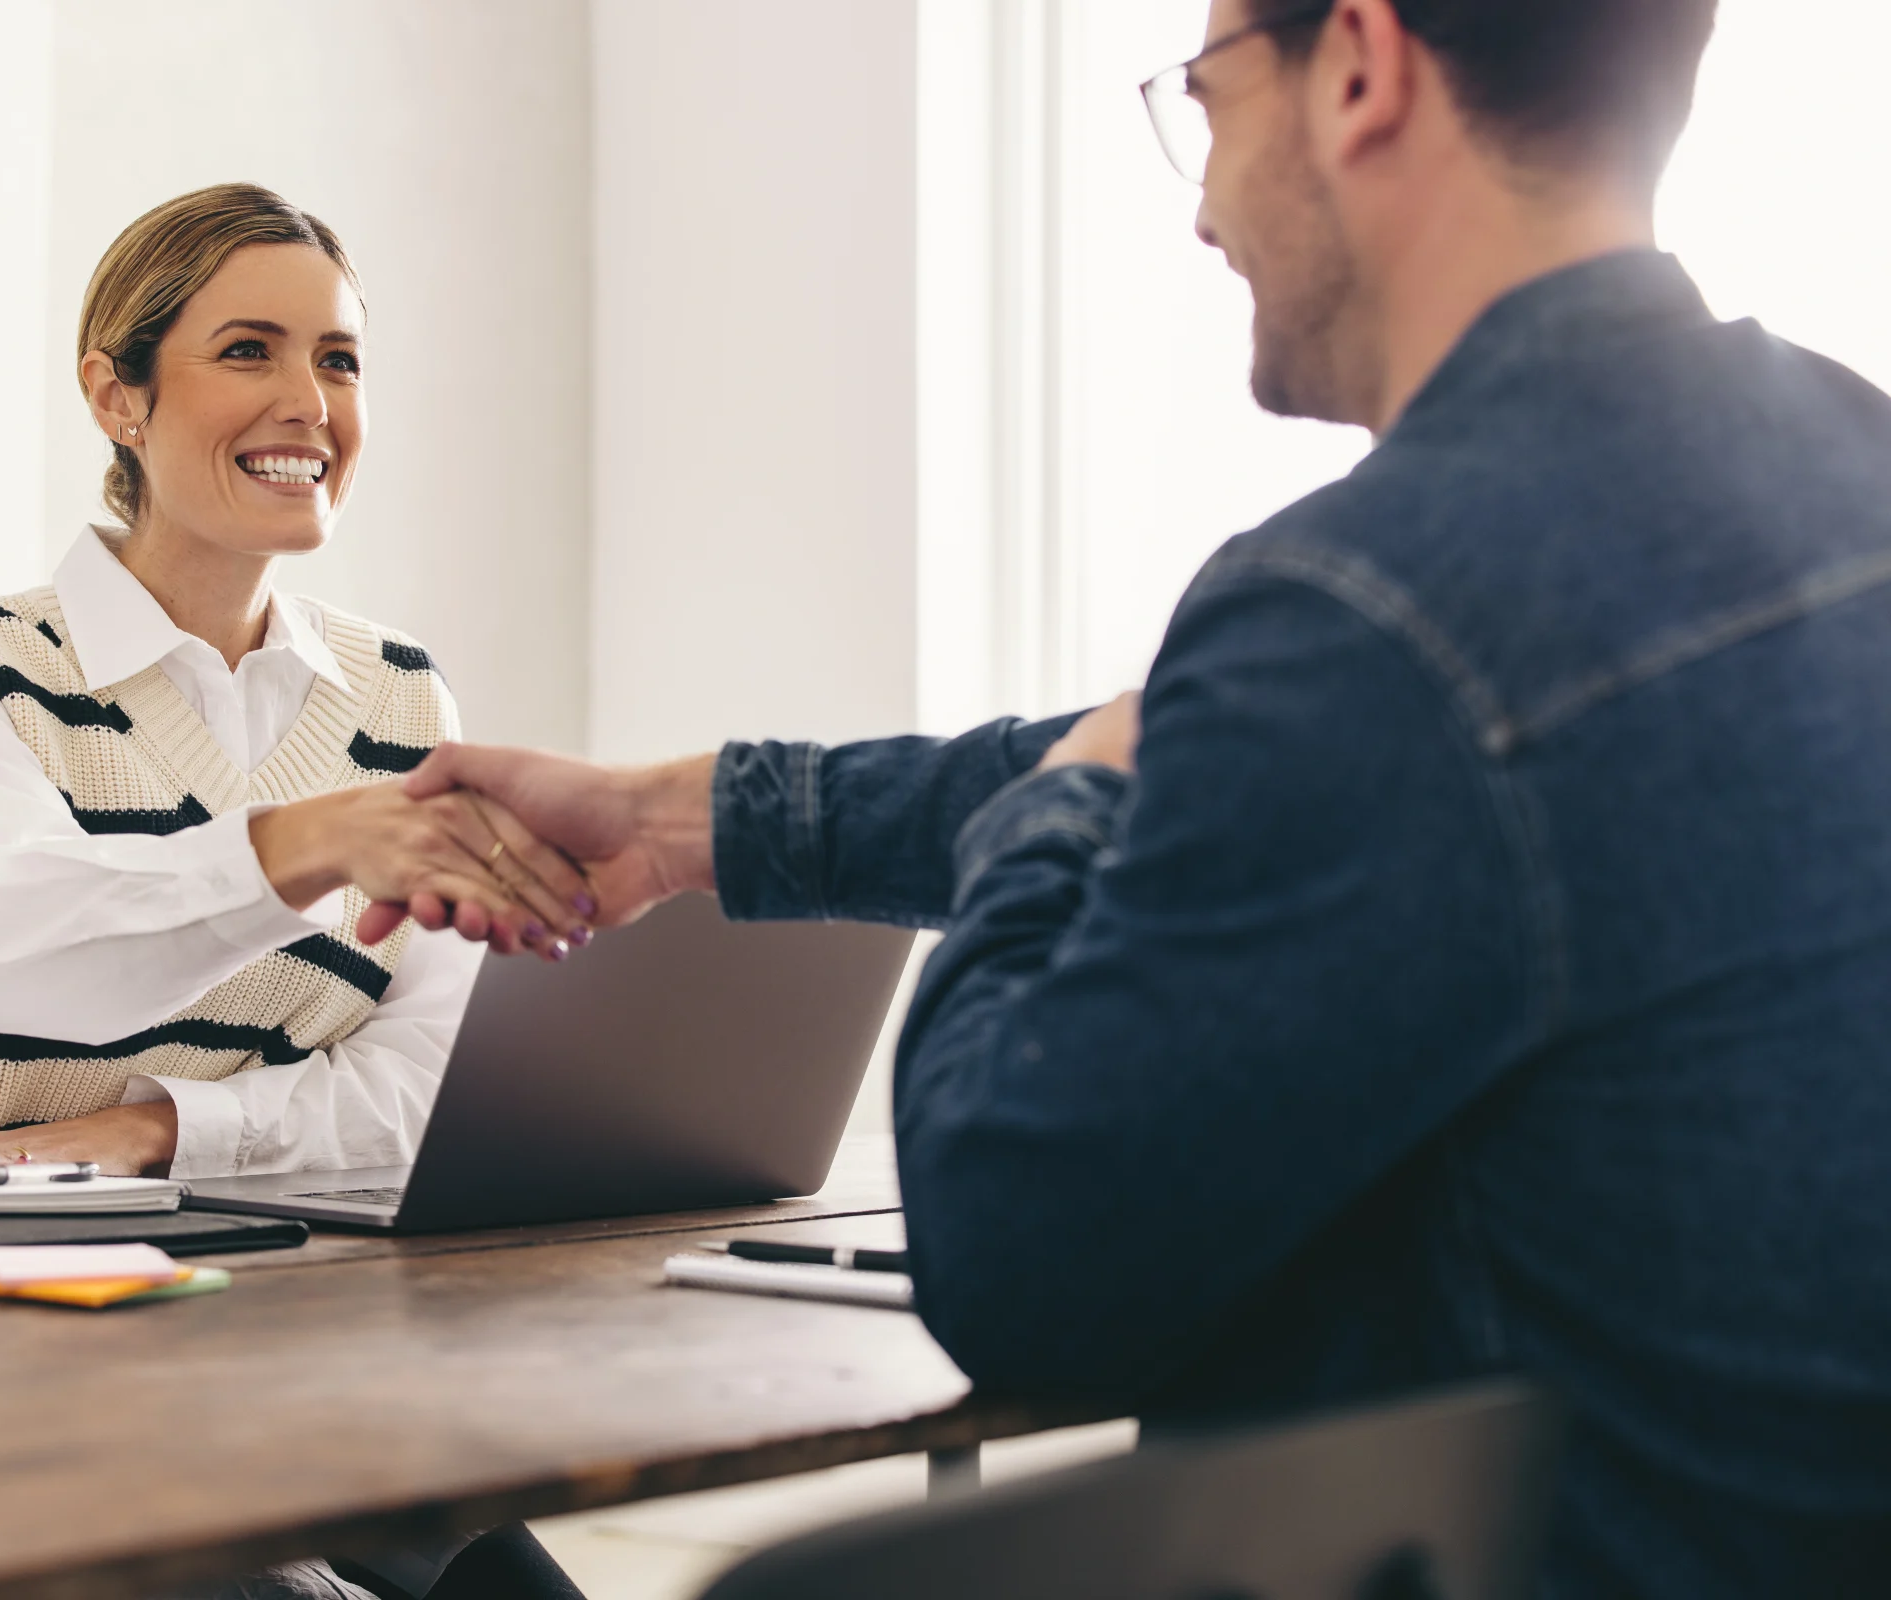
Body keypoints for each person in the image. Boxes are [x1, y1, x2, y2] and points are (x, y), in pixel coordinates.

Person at [382, 2, 1891, 1594]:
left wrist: (1058, 820)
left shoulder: (1365, 612)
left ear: (1361, 67)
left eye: (1209, 94)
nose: (1202, 202)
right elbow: (1224, 766)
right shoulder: (1843, 469)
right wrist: (677, 821)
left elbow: (1020, 1260)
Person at [0, 183, 588, 1600]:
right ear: (115, 396)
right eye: (248, 350)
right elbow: (11, 956)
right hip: (1, 1338)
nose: (309, 400)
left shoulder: (401, 699)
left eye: (341, 358)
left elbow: (421, 1092)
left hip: (308, 1329)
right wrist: (305, 843)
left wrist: (161, 1127)